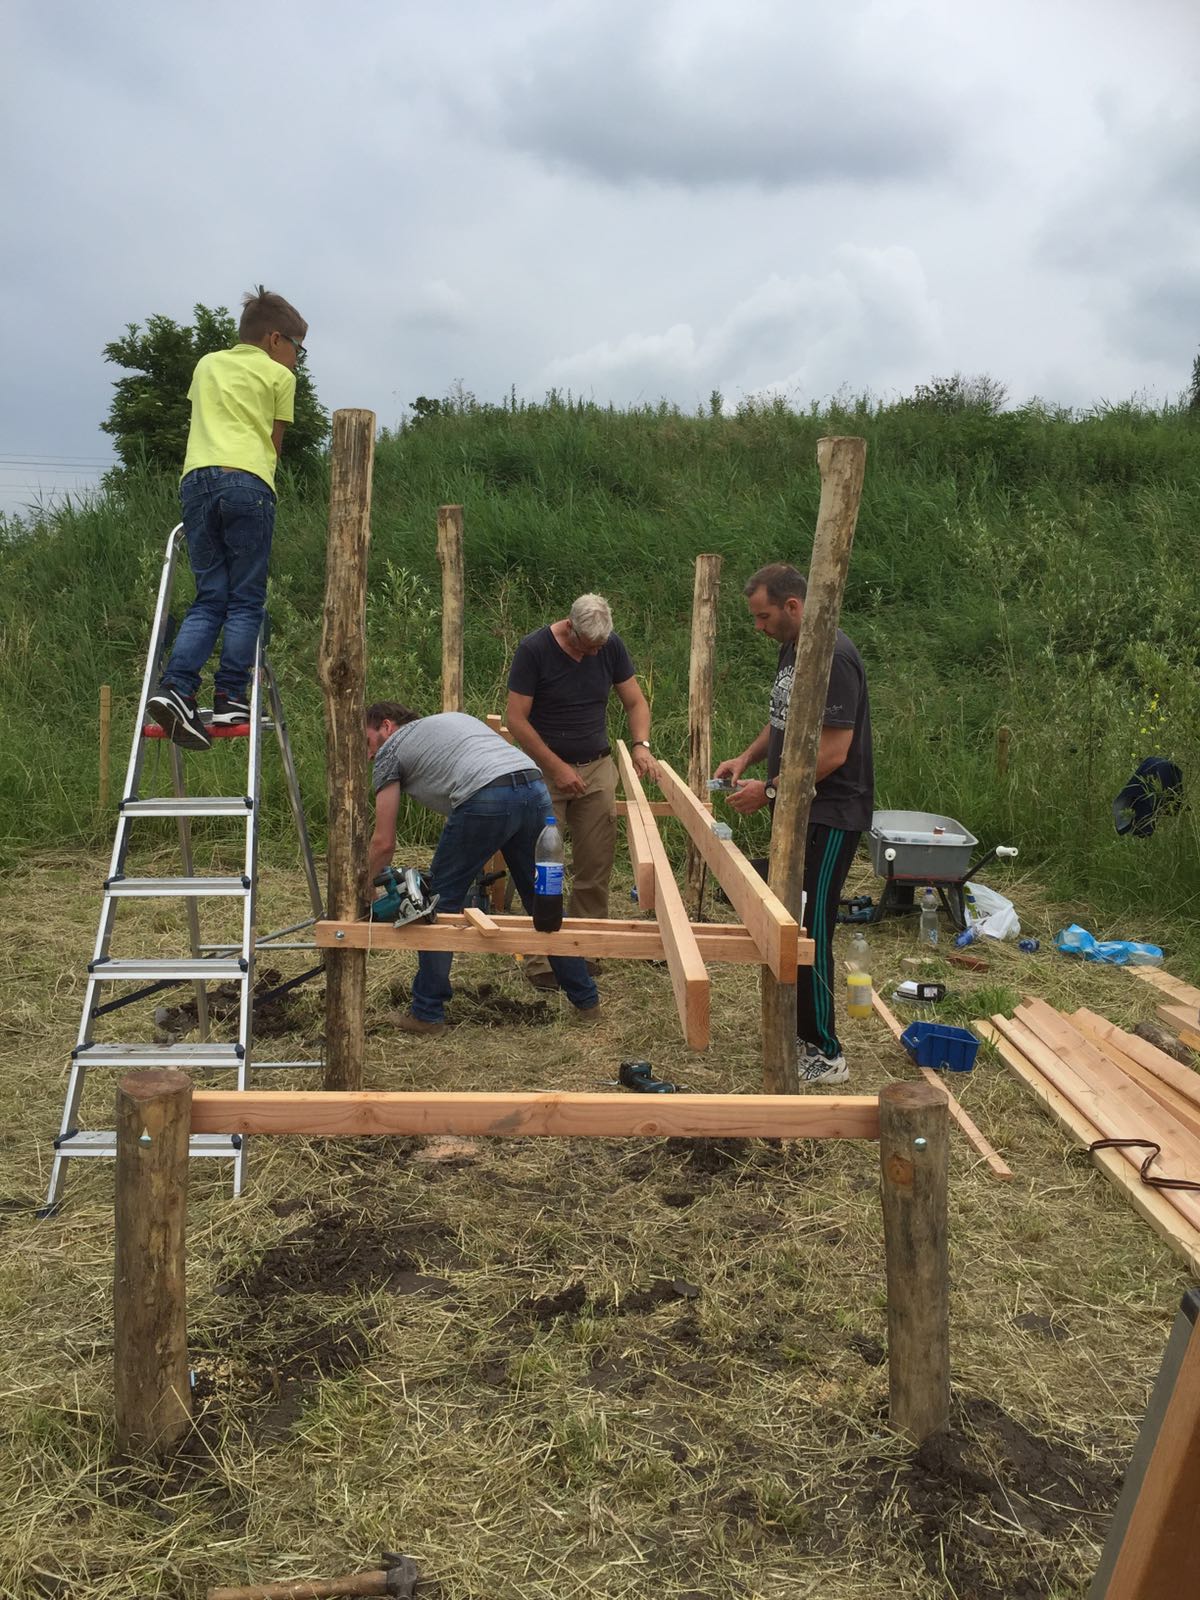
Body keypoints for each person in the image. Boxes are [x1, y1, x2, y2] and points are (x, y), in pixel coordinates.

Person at [715, 563, 873, 1084]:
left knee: (813, 926)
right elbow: (784, 717)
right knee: (791, 917)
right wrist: (747, 760)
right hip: (800, 806)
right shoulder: (794, 647)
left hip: (831, 813)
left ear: (793, 606)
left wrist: (773, 790)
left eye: (763, 616)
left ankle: (826, 1052)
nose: (758, 627)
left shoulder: (832, 656)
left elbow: (832, 750)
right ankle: (804, 1032)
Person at [365, 702, 601, 1035]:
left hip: (486, 794)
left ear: (386, 727)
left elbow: (383, 843)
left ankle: (426, 1013)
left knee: (438, 905)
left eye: (368, 743)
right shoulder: (450, 721)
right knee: (542, 904)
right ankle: (587, 1001)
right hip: (533, 786)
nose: (370, 755)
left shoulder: (392, 750)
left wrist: (363, 888)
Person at [147, 287, 308, 752]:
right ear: (275, 340)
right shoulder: (280, 377)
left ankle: (176, 687)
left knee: (209, 596)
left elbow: (208, 418)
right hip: (247, 482)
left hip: (196, 483)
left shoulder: (207, 364)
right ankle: (231, 696)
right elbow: (273, 445)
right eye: (297, 347)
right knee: (245, 599)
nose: (298, 358)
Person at [505, 593, 659, 991]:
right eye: (586, 647)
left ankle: (586, 950)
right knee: (544, 866)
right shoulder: (534, 650)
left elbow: (635, 702)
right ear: (569, 627)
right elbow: (517, 720)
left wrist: (641, 745)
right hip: (544, 769)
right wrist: (555, 768)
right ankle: (542, 958)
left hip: (596, 766)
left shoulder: (610, 646)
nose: (593, 654)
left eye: (599, 648)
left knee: (595, 863)